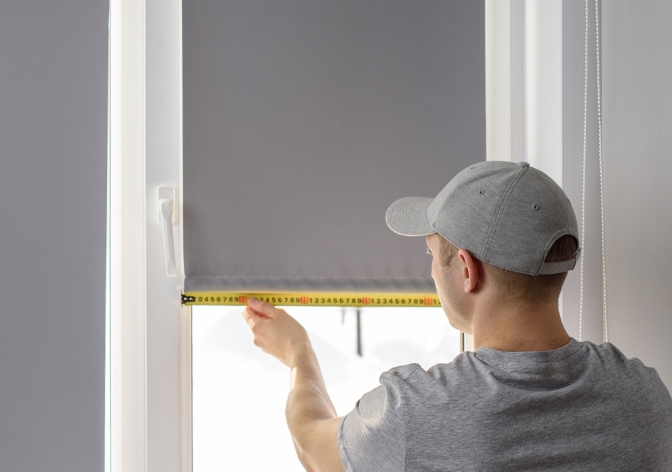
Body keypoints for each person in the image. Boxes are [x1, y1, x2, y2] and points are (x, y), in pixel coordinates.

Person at [242, 161, 672, 471]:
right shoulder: (643, 397)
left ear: (467, 270)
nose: (430, 271)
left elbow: (311, 447)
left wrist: (299, 356)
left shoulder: (414, 413)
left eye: (431, 254)